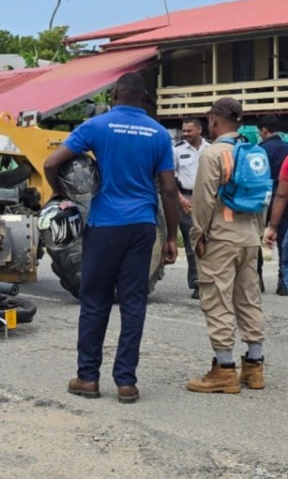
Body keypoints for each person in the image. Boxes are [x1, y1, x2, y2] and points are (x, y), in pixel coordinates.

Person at [43, 72, 179, 404]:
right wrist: (173, 237)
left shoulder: (97, 126)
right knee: (133, 304)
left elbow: (50, 163)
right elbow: (170, 189)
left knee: (95, 303)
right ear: (143, 97)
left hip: (104, 225)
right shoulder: (159, 134)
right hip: (142, 225)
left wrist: (60, 191)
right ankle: (126, 383)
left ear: (115, 93)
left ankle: (88, 378)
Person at [187, 97, 266, 394]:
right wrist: (257, 233)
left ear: (213, 121)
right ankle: (254, 367)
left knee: (217, 300)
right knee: (249, 298)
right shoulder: (253, 151)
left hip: (221, 237)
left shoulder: (213, 154)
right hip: (249, 237)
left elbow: (204, 202)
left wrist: (198, 237)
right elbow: (260, 199)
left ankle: (224, 370)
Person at [174, 118, 209, 300]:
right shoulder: (177, 150)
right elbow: (170, 177)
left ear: (199, 130)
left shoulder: (210, 149)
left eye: (189, 131)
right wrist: (180, 199)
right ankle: (196, 282)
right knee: (191, 242)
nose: (185, 134)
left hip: (208, 198)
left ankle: (210, 280)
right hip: (186, 199)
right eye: (184, 131)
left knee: (209, 240)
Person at [257, 115, 288, 294]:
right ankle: (283, 281)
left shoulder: (259, 150)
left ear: (263, 131)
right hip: (283, 202)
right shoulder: (287, 148)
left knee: (255, 239)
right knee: (284, 242)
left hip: (262, 200)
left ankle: (257, 278)